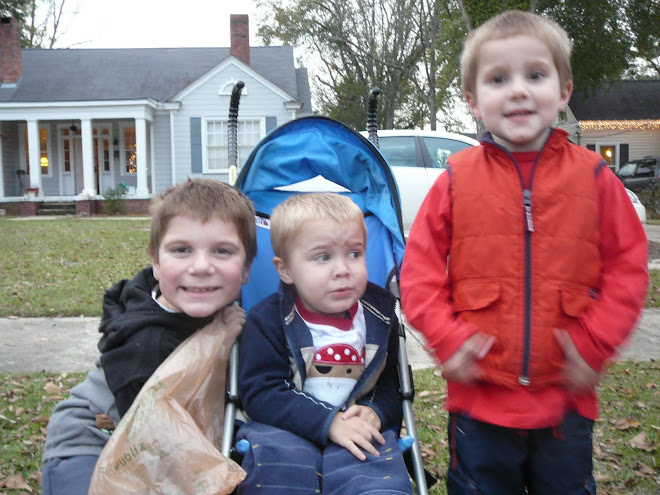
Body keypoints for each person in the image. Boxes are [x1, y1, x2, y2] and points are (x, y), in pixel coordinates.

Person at [400, 10, 649, 495]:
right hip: (479, 400)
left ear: (563, 92)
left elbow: (629, 269)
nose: (517, 90)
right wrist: (447, 339)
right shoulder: (455, 178)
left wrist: (594, 342)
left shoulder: (595, 179)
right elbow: (418, 271)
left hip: (564, 402)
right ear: (473, 101)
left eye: (535, 75)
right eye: (498, 79)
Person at [41, 178, 257, 495]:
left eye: (222, 251)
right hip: (89, 444)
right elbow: (153, 436)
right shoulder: (145, 344)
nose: (201, 266)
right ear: (156, 262)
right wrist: (219, 337)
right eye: (181, 250)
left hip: (154, 439)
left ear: (247, 269)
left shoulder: (215, 304)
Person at [237, 193, 413, 495]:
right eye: (323, 257)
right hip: (281, 433)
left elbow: (393, 386)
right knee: (276, 480)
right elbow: (261, 393)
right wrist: (328, 422)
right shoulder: (268, 320)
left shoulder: (380, 316)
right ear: (286, 270)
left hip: (357, 430)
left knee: (380, 483)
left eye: (354, 254)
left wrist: (378, 412)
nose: (343, 269)